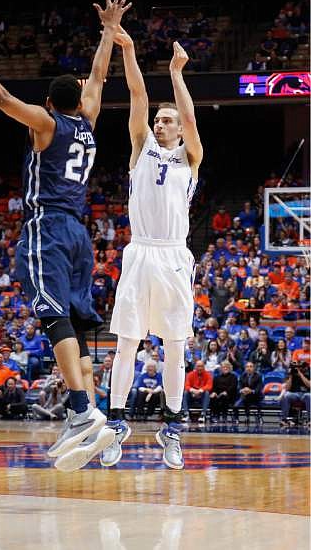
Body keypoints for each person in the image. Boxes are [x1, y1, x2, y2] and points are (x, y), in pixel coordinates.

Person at [0, 0, 132, 472]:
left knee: (51, 317)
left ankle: (81, 411)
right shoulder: (88, 121)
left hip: (48, 227)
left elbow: (0, 98)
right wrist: (107, 29)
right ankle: (90, 415)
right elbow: (101, 75)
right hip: (81, 236)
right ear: (78, 97)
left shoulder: (47, 124)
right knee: (78, 330)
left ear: (46, 103)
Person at [101, 27, 203, 470]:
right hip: (140, 252)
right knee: (126, 344)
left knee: (175, 347)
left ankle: (172, 428)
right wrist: (127, 48)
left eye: (168, 120)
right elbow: (137, 94)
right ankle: (117, 423)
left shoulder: (190, 157)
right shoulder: (140, 148)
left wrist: (177, 74)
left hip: (174, 256)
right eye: (158, 119)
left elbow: (192, 118)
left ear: (179, 129)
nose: (160, 123)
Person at [280, 360, 310, 426]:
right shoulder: (291, 372)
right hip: (294, 394)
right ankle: (284, 419)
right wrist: (291, 376)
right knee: (286, 395)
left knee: (309, 396)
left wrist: (300, 374)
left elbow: (309, 385)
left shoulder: (308, 373)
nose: (299, 368)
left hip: (305, 393)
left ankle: (309, 420)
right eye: (298, 367)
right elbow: (287, 388)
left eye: (301, 367)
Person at [182, 360, 213, 425]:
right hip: (192, 394)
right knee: (185, 393)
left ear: (204, 367)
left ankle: (203, 415)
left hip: (202, 395)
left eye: (201, 366)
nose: (200, 368)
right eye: (198, 366)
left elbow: (209, 386)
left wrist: (200, 391)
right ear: (195, 367)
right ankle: (186, 414)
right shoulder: (190, 374)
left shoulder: (208, 375)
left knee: (207, 393)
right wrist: (193, 390)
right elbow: (186, 385)